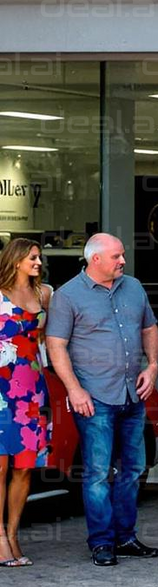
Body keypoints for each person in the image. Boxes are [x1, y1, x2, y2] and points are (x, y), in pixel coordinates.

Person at [44, 234, 158, 567]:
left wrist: (152, 367)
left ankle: (125, 537)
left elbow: (149, 329)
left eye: (122, 255)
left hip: (131, 394)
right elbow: (55, 345)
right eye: (116, 256)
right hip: (94, 398)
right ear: (95, 260)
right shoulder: (68, 296)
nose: (122, 261)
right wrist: (74, 389)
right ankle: (101, 543)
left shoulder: (133, 287)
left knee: (134, 468)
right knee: (96, 472)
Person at [0, 237, 54, 567]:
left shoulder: (44, 294)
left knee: (24, 468)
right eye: (32, 257)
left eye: (39, 258)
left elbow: (51, 341)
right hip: (0, 389)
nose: (37, 262)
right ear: (16, 260)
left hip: (32, 390)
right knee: (0, 466)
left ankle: (14, 534)